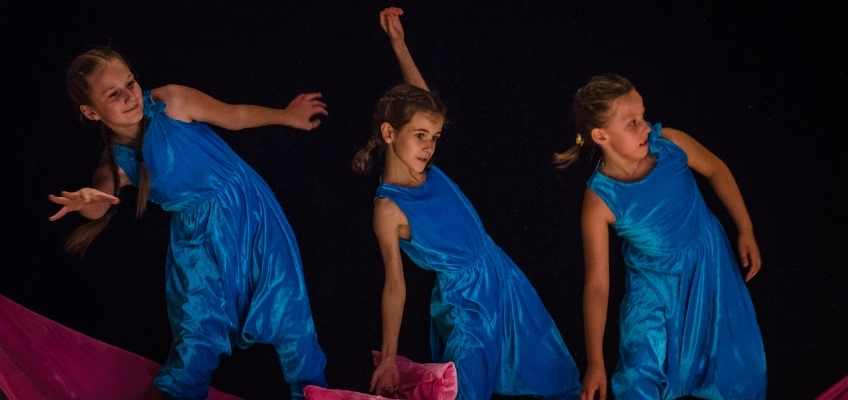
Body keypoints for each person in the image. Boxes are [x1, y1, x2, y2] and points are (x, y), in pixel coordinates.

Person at [49, 47, 328, 399]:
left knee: (288, 310)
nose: (129, 96)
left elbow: (234, 115)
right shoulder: (117, 162)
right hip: (197, 238)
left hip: (251, 212)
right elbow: (99, 203)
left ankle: (313, 393)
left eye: (130, 83)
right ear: (91, 112)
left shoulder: (171, 101)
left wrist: (287, 116)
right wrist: (88, 200)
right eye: (113, 94)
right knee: (197, 328)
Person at [354, 8, 580, 399]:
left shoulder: (424, 169)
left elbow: (421, 100)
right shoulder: (389, 208)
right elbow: (395, 283)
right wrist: (389, 355)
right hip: (465, 301)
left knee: (551, 375)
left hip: (503, 277)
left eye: (436, 137)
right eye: (421, 135)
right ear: (389, 132)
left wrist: (399, 43)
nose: (429, 146)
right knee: (467, 384)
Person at [557, 74, 766, 399]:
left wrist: (746, 228)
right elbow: (597, 284)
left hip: (709, 272)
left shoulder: (670, 144)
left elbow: (716, 169)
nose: (646, 128)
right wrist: (596, 362)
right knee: (641, 373)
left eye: (643, 116)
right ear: (601, 135)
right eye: (632, 123)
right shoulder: (600, 200)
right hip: (653, 292)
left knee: (735, 367)